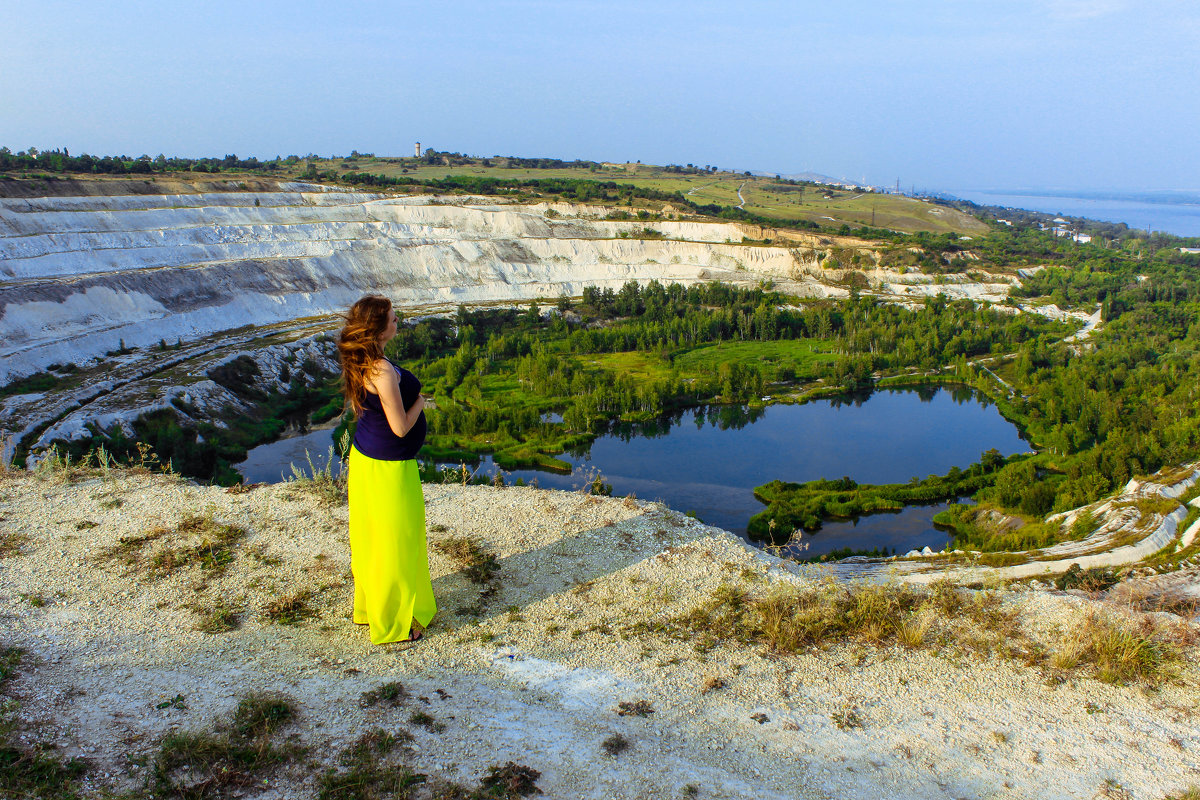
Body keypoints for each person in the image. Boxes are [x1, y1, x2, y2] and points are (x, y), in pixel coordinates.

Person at [338, 295, 436, 644]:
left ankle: (371, 607)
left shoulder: (363, 360)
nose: (399, 322)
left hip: (366, 460)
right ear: (378, 329)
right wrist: (422, 402)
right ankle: (397, 622)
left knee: (375, 539)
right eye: (394, 319)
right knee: (398, 540)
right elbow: (400, 427)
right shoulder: (380, 370)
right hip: (389, 470)